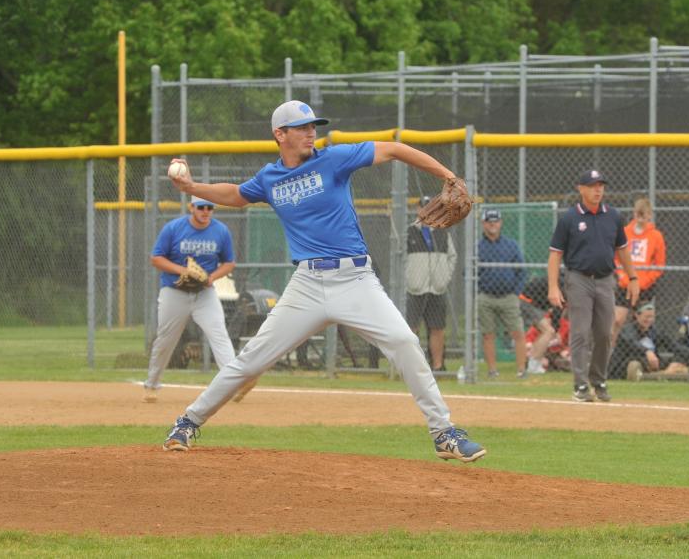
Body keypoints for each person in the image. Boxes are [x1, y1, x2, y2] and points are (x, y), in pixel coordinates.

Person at [161, 100, 486, 462]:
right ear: (279, 134)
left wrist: (448, 176)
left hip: (355, 279)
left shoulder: (333, 159)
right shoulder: (269, 178)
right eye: (301, 127)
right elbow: (236, 195)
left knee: (404, 341)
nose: (310, 132)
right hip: (308, 284)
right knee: (251, 360)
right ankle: (187, 422)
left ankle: (443, 433)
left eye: (312, 125)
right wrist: (191, 188)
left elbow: (394, 148)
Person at [548, 170, 639, 403]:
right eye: (592, 185)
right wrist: (553, 287)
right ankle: (580, 385)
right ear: (581, 188)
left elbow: (623, 250)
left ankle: (598, 380)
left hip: (606, 279)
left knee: (604, 333)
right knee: (579, 333)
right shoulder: (570, 218)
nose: (597, 190)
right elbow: (555, 255)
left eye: (600, 185)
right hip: (578, 279)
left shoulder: (613, 216)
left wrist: (633, 278)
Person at [143, 196, 237, 402]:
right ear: (191, 207)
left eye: (210, 207)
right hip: (174, 292)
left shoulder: (220, 231)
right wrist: (182, 270)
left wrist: (211, 277)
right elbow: (156, 258)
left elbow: (229, 263)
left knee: (219, 334)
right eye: (201, 207)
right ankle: (152, 383)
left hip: (204, 293)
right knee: (166, 339)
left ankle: (233, 384)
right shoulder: (173, 228)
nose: (206, 211)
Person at [406, 195, 457, 371]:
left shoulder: (443, 231)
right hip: (415, 289)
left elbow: (452, 257)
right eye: (424, 207)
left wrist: (444, 278)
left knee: (437, 328)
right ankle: (413, 366)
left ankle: (437, 365)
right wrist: (410, 278)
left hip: (436, 288)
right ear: (418, 210)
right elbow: (400, 260)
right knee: (411, 328)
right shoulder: (410, 231)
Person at [477, 209, 529, 379]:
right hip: (486, 297)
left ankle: (521, 370)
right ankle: (492, 371)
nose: (493, 224)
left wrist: (515, 293)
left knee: (518, 333)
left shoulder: (511, 245)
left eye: (496, 221)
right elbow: (468, 273)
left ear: (501, 223)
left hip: (508, 297)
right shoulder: (478, 247)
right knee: (488, 334)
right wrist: (479, 291)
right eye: (489, 221)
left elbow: (521, 271)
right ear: (483, 224)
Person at [612, 198, 666, 346]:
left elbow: (659, 265)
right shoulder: (623, 232)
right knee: (617, 320)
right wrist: (623, 276)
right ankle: (609, 354)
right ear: (634, 214)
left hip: (645, 287)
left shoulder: (656, 236)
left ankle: (643, 352)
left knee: (643, 322)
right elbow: (615, 259)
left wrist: (645, 281)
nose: (641, 217)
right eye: (638, 213)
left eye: (645, 213)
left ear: (650, 215)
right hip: (625, 285)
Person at [608, 301, 689, 380]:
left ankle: (663, 374)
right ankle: (666, 373)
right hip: (626, 364)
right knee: (634, 362)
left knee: (679, 358)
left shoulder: (655, 331)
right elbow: (632, 343)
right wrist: (647, 352)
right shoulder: (626, 330)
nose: (649, 320)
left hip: (653, 363)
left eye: (652, 317)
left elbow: (674, 346)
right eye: (646, 317)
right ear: (637, 315)